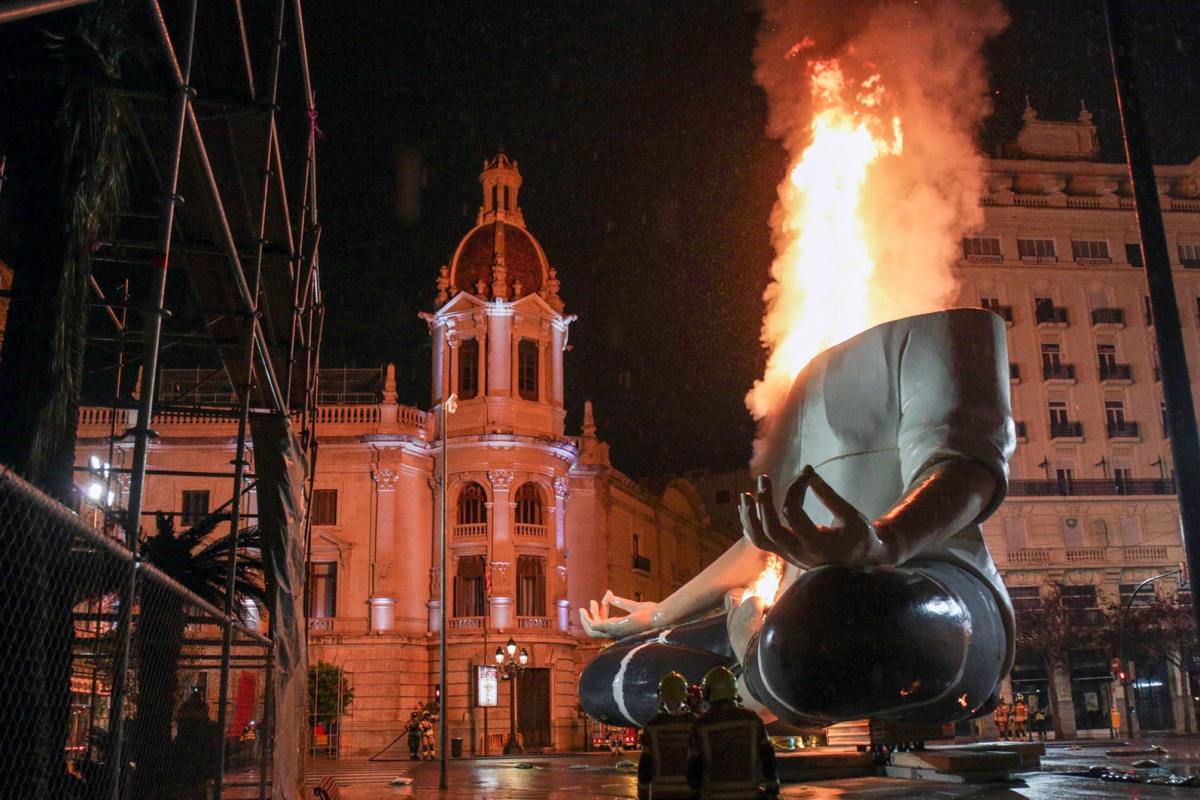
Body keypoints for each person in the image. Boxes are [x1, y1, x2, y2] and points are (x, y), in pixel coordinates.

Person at [579, 310, 1015, 730]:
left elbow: (964, 466)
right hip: (795, 611)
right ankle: (766, 670)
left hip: (923, 585)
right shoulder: (802, 389)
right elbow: (765, 543)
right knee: (605, 680)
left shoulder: (938, 330)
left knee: (818, 627)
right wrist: (657, 617)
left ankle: (759, 662)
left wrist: (885, 541)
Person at [687, 667, 778, 800]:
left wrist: (694, 793)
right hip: (749, 795)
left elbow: (694, 766)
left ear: (708, 693)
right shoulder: (752, 719)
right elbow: (768, 756)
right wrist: (772, 788)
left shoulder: (701, 725)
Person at [638, 672, 697, 800]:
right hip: (690, 793)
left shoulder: (652, 726)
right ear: (684, 697)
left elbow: (645, 766)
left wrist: (643, 793)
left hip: (661, 793)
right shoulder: (695, 723)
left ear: (662, 698)